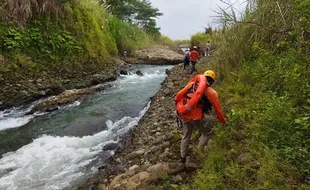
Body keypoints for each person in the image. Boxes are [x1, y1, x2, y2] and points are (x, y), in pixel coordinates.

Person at [174, 70, 227, 163]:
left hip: (185, 115)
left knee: (186, 136)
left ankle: (182, 158)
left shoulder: (191, 85)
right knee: (207, 133)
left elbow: (178, 96)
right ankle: (197, 151)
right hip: (196, 117)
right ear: (212, 81)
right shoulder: (212, 92)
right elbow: (218, 109)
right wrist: (223, 121)